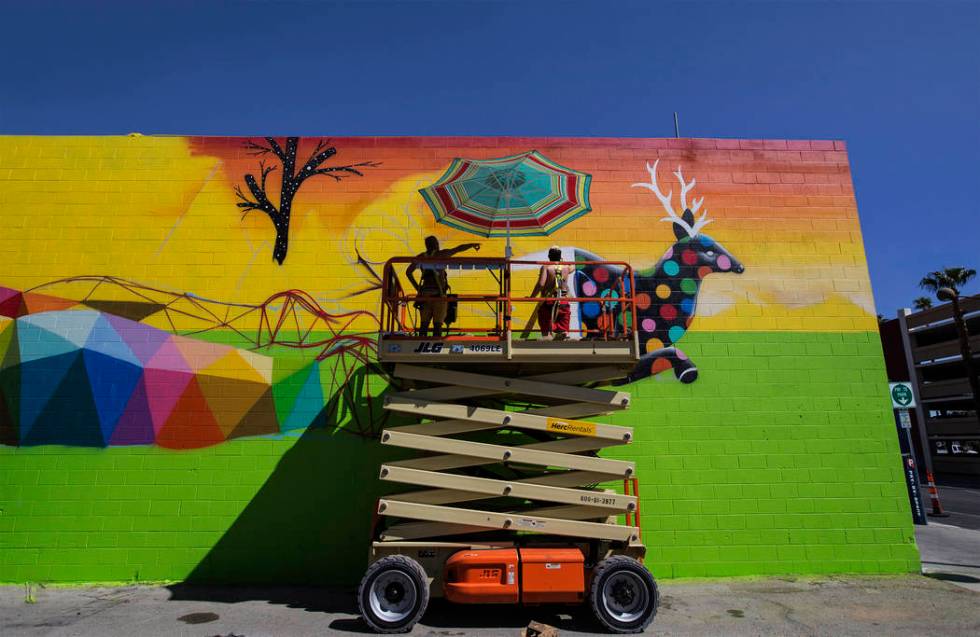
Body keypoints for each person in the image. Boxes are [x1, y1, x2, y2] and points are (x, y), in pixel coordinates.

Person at [406, 236, 480, 337]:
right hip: (439, 296)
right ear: (436, 244)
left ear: (426, 245)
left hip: (425, 296)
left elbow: (408, 272)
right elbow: (458, 249)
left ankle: (420, 345)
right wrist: (471, 245)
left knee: (424, 324)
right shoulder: (441, 254)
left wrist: (418, 288)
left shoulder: (421, 257)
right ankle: (436, 345)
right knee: (437, 325)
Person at [529, 246, 571, 340]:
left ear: (548, 256)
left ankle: (548, 341)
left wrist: (532, 296)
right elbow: (573, 267)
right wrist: (561, 261)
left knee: (546, 330)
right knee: (563, 329)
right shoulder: (566, 268)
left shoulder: (546, 267)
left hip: (549, 302)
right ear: (560, 257)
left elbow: (541, 284)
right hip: (563, 301)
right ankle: (563, 340)